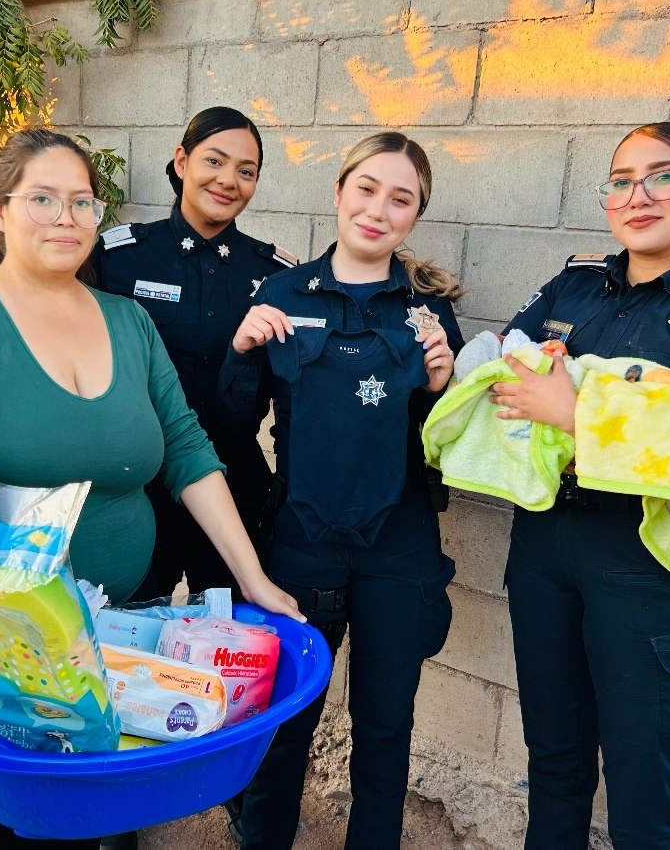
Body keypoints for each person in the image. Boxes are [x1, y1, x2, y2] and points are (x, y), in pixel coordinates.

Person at [0, 128, 304, 849]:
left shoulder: (128, 320)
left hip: (109, 640)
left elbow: (188, 451)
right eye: (41, 198)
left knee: (87, 825)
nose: (66, 217)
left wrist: (253, 578)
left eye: (81, 201)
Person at [488, 122, 670, 849]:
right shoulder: (575, 285)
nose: (638, 195)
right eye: (621, 179)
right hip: (548, 547)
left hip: (653, 565)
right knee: (554, 765)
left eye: (663, 175)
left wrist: (578, 413)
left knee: (642, 793)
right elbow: (504, 374)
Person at [218, 132, 464, 850]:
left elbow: (450, 449)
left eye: (400, 199)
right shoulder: (281, 295)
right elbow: (234, 425)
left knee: (386, 731)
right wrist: (240, 350)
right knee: (284, 725)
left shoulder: (426, 312)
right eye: (366, 189)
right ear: (338, 192)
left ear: (414, 217)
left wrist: (445, 391)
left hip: (400, 548)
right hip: (302, 544)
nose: (378, 210)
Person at [92, 106, 296, 599]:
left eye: (246, 171)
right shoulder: (117, 259)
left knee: (230, 650)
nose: (228, 181)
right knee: (128, 646)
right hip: (137, 490)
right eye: (214, 161)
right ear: (182, 161)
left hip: (233, 490)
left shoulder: (276, 276)